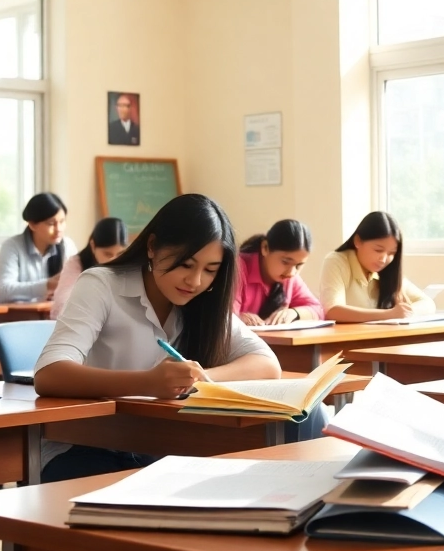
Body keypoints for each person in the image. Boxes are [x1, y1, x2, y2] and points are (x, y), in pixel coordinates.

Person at [33, 194, 281, 481]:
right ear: (152, 247)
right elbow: (49, 374)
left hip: (158, 443)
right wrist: (148, 382)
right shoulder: (101, 285)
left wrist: (200, 378)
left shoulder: (202, 303)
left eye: (210, 270)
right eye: (186, 264)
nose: (195, 281)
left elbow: (267, 365)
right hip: (82, 445)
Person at [319, 211, 433, 323]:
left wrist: (407, 312)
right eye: (378, 250)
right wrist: (389, 314)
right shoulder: (337, 261)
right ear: (358, 241)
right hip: (345, 339)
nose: (383, 259)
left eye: (391, 253)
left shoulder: (388, 271)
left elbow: (428, 303)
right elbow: (332, 311)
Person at [235, 219, 323, 326]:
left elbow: (319, 310)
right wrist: (238, 318)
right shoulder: (238, 268)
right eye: (285, 262)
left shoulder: (290, 278)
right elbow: (223, 316)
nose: (292, 272)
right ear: (265, 248)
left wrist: (294, 313)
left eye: (299, 265)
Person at [0, 192, 78, 303]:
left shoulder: (67, 245)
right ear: (33, 224)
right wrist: (47, 285)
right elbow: (3, 290)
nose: (59, 229)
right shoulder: (12, 246)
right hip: (21, 317)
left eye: (62, 222)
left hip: (54, 316)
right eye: (51, 223)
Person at [53, 217, 128, 317]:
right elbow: (63, 303)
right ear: (93, 246)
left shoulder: (130, 265)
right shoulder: (76, 264)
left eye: (120, 254)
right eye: (108, 254)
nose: (114, 260)